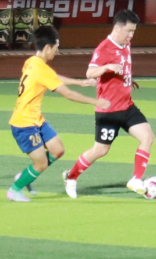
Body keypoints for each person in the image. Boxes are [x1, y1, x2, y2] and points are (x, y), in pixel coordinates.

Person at [7, 26, 110, 202]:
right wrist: (95, 102)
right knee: (41, 163)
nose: (57, 51)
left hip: (36, 119)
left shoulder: (32, 62)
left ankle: (27, 176)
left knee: (57, 150)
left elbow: (53, 77)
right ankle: (14, 190)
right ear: (48, 47)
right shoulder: (41, 68)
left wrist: (79, 82)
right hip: (24, 124)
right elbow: (67, 94)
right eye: (56, 48)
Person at [63, 10, 155, 198]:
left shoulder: (125, 44)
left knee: (148, 137)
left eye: (133, 31)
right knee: (101, 150)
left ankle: (136, 179)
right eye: (129, 31)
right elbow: (90, 73)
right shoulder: (103, 49)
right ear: (117, 28)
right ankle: (71, 177)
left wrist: (128, 80)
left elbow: (122, 67)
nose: (131, 35)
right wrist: (106, 67)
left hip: (127, 106)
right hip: (108, 110)